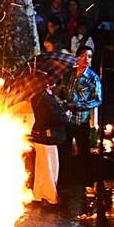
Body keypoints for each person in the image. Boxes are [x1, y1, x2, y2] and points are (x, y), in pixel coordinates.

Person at [27, 78, 67, 206]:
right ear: (49, 85)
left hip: (41, 136)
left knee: (42, 166)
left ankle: (38, 194)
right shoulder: (46, 99)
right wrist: (66, 115)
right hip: (48, 137)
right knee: (50, 167)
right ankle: (50, 197)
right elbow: (55, 117)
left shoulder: (38, 97)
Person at [61, 47, 101, 173]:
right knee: (64, 150)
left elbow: (97, 99)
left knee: (83, 151)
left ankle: (86, 181)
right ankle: (66, 178)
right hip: (67, 119)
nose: (86, 59)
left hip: (82, 120)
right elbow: (62, 92)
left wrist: (78, 104)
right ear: (77, 57)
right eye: (84, 56)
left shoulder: (92, 78)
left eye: (89, 57)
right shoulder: (69, 75)